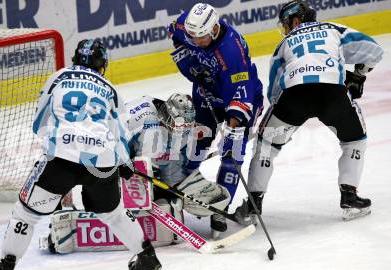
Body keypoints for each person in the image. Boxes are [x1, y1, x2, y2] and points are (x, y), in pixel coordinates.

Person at [0, 39, 164, 270]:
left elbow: (39, 122)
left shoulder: (59, 76)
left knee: (25, 215)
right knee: (113, 214)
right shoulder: (111, 89)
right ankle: (147, 257)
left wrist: (56, 147)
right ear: (102, 64)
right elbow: (121, 134)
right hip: (102, 162)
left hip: (61, 158)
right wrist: (124, 163)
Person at [237, 0, 383, 221]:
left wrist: (281, 122)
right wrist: (359, 74)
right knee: (355, 140)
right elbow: (374, 50)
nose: (285, 29)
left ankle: (254, 204)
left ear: (296, 20)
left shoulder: (284, 43)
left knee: (266, 145)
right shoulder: (334, 30)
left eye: (286, 23)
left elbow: (274, 89)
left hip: (294, 96)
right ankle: (350, 198)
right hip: (333, 93)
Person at [167, 3, 264, 235]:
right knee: (196, 144)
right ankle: (177, 188)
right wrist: (189, 65)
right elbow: (174, 33)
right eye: (192, 36)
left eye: (200, 37)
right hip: (206, 92)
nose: (195, 41)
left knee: (233, 153)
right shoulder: (189, 24)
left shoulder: (232, 52)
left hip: (241, 97)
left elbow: (240, 96)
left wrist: (232, 132)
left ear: (213, 30)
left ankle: (221, 209)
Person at [127, 94, 231, 232]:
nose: (182, 130)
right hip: (123, 164)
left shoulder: (185, 129)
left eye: (187, 126)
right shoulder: (139, 118)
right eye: (179, 125)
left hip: (154, 164)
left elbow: (176, 163)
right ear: (166, 116)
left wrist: (173, 189)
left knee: (180, 186)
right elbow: (113, 146)